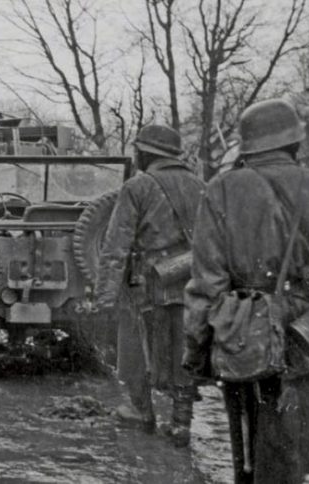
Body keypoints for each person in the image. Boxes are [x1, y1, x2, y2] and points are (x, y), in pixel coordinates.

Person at [184, 98, 309, 483]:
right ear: (295, 143)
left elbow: (208, 282)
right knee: (299, 452)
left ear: (248, 146)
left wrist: (197, 346)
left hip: (246, 337)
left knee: (253, 460)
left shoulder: (222, 189)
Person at [93, 124, 205, 447]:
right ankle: (182, 422)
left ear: (145, 152)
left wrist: (103, 298)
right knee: (185, 350)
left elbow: (115, 247)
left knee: (136, 351)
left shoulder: (137, 186)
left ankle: (141, 412)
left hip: (148, 284)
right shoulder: (201, 186)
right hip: (191, 283)